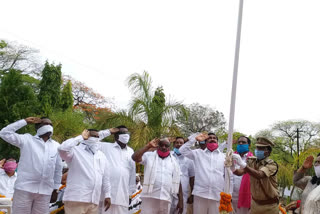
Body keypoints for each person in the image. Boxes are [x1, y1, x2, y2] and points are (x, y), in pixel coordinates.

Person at [0, 117, 63, 214]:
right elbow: (4, 133)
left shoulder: (56, 146)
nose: (49, 127)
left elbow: (58, 169)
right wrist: (25, 121)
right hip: (24, 189)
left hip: (45, 191)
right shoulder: (26, 139)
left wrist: (55, 189)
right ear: (37, 127)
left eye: (51, 125)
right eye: (45, 124)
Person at [58, 129, 111, 214]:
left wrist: (107, 195)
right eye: (93, 136)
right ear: (86, 136)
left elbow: (105, 177)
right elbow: (62, 149)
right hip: (76, 199)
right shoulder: (75, 151)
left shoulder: (101, 156)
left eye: (98, 136)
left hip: (94, 200)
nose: (96, 138)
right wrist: (80, 138)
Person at [179, 132, 232, 214]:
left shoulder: (223, 157)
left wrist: (228, 194)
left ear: (217, 142)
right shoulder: (198, 153)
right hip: (200, 194)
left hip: (217, 195)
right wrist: (195, 139)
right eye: (209, 138)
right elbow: (182, 150)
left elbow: (228, 177)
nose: (212, 139)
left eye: (214, 138)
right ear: (205, 142)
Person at [132, 138, 183, 214]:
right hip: (149, 198)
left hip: (166, 198)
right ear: (157, 146)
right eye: (161, 145)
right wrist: (147, 146)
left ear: (170, 147)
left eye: (166, 145)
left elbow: (178, 181)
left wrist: (181, 200)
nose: (164, 147)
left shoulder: (174, 162)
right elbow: (135, 157)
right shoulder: (149, 156)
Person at [232, 137, 279, 214]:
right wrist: (232, 167)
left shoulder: (272, 164)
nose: (258, 150)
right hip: (255, 204)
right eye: (257, 147)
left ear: (268, 151)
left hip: (269, 206)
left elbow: (259, 175)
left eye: (261, 148)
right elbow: (240, 172)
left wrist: (242, 164)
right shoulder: (252, 161)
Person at [98, 126, 136, 214]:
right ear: (115, 136)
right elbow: (90, 139)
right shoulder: (106, 147)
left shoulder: (131, 151)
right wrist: (108, 131)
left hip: (122, 195)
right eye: (122, 133)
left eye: (127, 133)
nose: (126, 135)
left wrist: (130, 194)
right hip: (106, 194)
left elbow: (132, 172)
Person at [170, 137, 195, 214]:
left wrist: (192, 194)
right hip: (169, 190)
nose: (179, 144)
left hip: (183, 192)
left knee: (181, 211)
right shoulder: (169, 155)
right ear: (173, 145)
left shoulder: (189, 159)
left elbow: (192, 177)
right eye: (177, 143)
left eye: (181, 143)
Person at [231, 136, 252, 214]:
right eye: (239, 142)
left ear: (249, 145)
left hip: (245, 196)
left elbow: (240, 172)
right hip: (230, 194)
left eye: (243, 142)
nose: (240, 143)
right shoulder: (231, 157)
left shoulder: (252, 160)